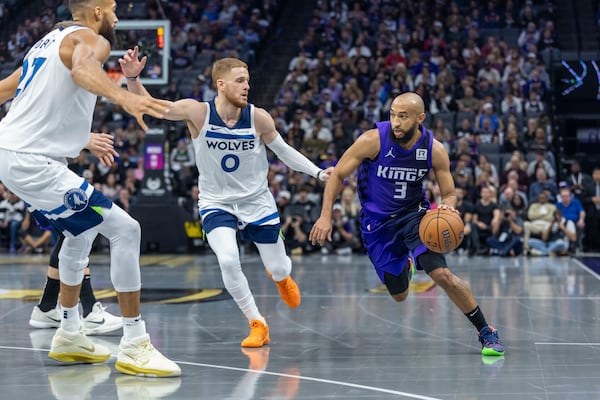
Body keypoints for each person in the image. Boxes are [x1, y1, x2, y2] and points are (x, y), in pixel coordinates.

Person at [0, 2, 179, 376]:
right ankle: (135, 343)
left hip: (15, 155)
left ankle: (68, 332)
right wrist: (128, 97)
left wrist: (80, 139)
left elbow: (6, 91)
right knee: (126, 229)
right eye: (113, 8)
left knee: (79, 235)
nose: (117, 15)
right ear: (97, 11)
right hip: (33, 161)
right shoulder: (91, 39)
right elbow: (83, 70)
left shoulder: (45, 43)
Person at [119, 50, 334, 347]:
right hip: (216, 202)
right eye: (240, 80)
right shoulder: (197, 112)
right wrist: (131, 78)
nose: (247, 86)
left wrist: (318, 173)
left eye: (248, 81)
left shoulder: (258, 117)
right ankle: (257, 323)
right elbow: (153, 108)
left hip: (256, 201)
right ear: (221, 84)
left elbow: (284, 152)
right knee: (229, 260)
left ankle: (282, 278)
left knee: (281, 267)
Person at [309, 93, 504, 356]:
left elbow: (449, 192)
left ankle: (485, 331)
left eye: (403, 116)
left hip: (415, 217)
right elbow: (338, 175)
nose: (395, 122)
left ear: (420, 118)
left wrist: (447, 205)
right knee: (399, 294)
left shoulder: (434, 149)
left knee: (441, 275)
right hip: (376, 225)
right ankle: (408, 265)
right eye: (392, 114)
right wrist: (325, 216)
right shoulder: (372, 140)